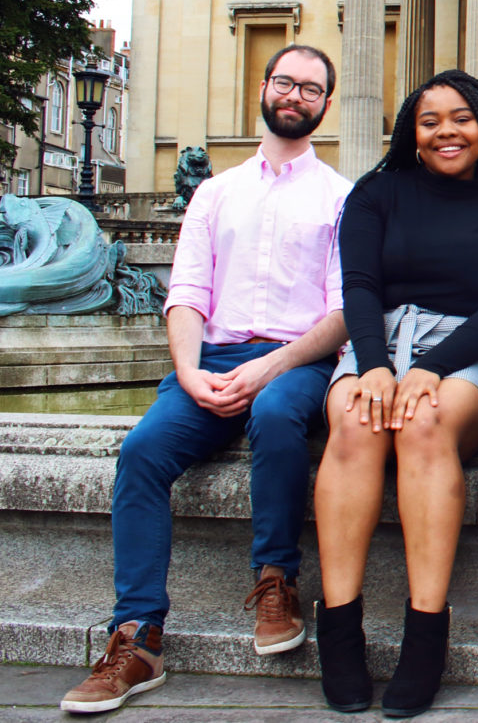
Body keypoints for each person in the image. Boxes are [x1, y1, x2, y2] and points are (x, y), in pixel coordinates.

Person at [61, 45, 350, 714]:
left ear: (325, 105)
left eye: (310, 89)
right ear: (263, 86)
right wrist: (188, 372)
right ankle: (137, 638)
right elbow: (186, 293)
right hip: (210, 362)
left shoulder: (342, 198)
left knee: (277, 415)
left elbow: (342, 313)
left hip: (297, 360)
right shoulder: (216, 193)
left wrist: (270, 365)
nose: (294, 95)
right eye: (286, 82)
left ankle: (275, 580)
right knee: (141, 453)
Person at [313, 69, 478, 716]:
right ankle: (340, 633)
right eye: (430, 121)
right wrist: (373, 366)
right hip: (377, 343)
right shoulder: (376, 193)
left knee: (424, 421)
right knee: (354, 419)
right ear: (412, 131)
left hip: (470, 354)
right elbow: (360, 287)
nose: (446, 132)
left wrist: (431, 366)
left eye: (461, 118)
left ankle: (425, 635)